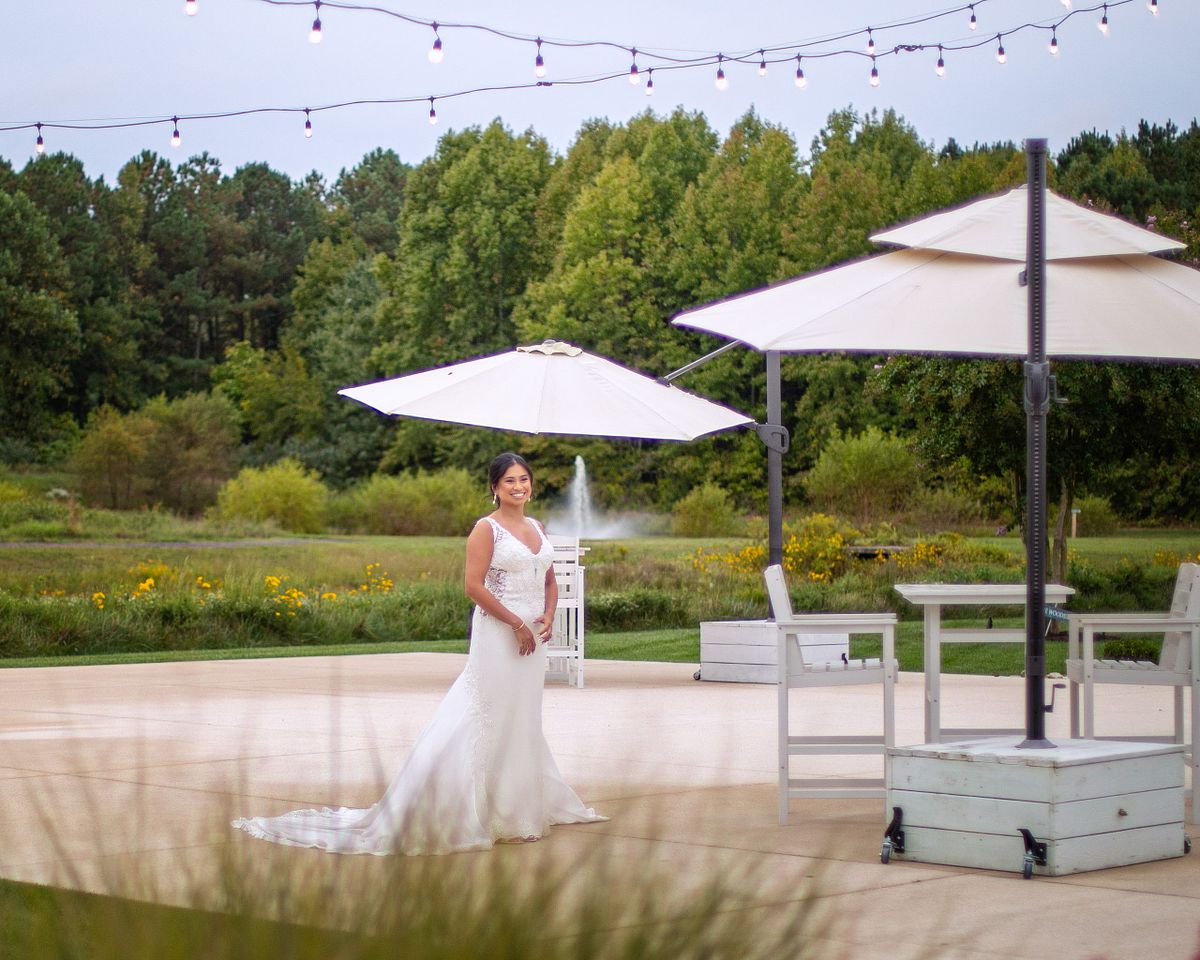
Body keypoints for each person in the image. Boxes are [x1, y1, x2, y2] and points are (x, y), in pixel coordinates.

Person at [231, 452, 606, 855]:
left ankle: (519, 808)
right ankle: (471, 809)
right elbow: (473, 586)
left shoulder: (537, 526)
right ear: (495, 488)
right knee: (489, 715)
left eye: (524, 479)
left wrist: (548, 615)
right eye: (510, 481)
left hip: (535, 635)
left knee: (522, 716)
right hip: (500, 633)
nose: (519, 487)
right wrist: (515, 624)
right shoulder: (486, 529)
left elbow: (547, 579)